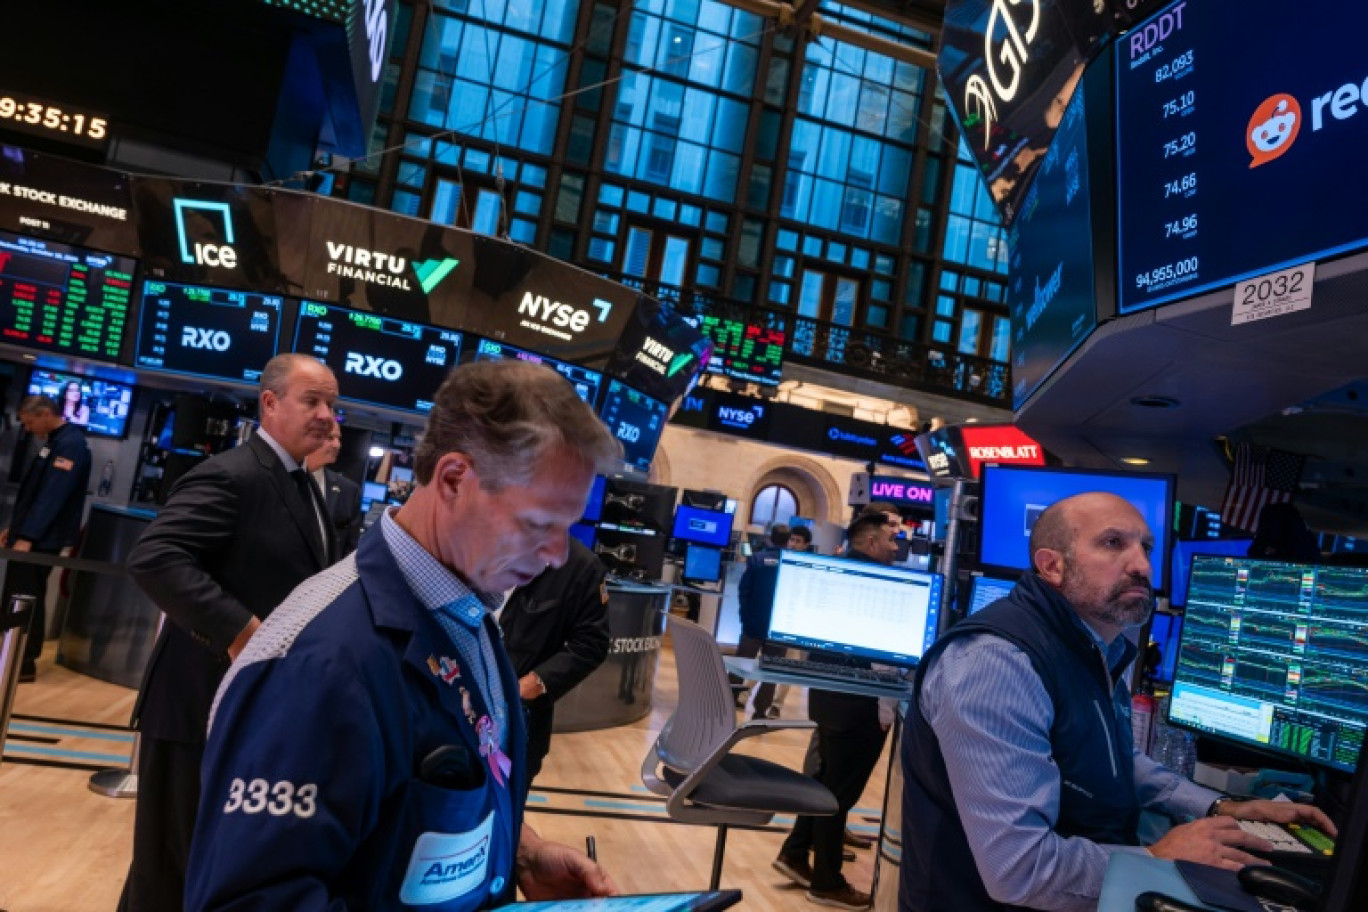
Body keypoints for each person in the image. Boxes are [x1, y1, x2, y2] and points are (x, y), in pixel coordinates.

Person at [186, 360, 622, 911]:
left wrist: (521, 854)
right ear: (454, 479)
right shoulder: (318, 666)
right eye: (539, 524)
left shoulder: (467, 611)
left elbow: (428, 798)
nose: (559, 555)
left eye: (568, 528)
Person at [899, 492, 1338, 912]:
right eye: (1113, 543)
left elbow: (1111, 757)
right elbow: (1019, 869)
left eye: (1145, 546)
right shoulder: (996, 664)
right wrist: (1156, 856)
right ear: (1052, 566)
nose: (1142, 565)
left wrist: (1216, 805)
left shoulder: (1095, 647)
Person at [119, 354, 341, 912]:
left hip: (242, 708)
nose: (325, 415)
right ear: (270, 403)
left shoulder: (305, 483)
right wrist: (243, 632)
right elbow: (156, 557)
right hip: (194, 703)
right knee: (166, 870)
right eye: (311, 400)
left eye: (332, 404)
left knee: (196, 861)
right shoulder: (234, 473)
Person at [774, 512, 899, 910]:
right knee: (837, 796)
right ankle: (827, 882)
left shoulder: (835, 573)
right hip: (858, 705)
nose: (897, 548)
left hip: (830, 699)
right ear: (873, 541)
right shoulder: (879, 584)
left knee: (826, 782)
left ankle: (794, 853)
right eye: (892, 539)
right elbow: (882, 655)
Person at [498, 536, 611, 789]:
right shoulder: (477, 541)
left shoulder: (582, 568)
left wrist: (531, 685)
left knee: (506, 815)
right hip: (457, 702)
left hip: (519, 718)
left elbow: (591, 644)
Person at [1, 395, 91, 682]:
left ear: (45, 414)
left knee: (27, 598)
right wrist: (15, 529)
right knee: (18, 596)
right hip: (31, 536)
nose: (27, 429)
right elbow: (35, 495)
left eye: (29, 422)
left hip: (41, 540)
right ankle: (11, 656)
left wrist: (27, 535)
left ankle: (23, 662)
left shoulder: (70, 444)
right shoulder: (55, 441)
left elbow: (53, 496)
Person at [732, 522, 791, 718]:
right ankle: (760, 712)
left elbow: (744, 591)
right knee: (770, 673)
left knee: (740, 665)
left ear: (770, 537)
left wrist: (744, 618)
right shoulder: (792, 563)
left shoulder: (756, 559)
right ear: (788, 541)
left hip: (753, 624)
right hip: (779, 628)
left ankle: (730, 699)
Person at [306, 420, 363, 557]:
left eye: (339, 438)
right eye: (330, 438)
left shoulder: (348, 491)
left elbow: (350, 550)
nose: (337, 445)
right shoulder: (280, 475)